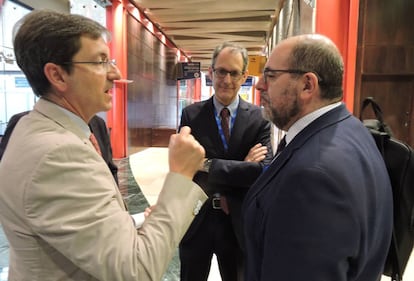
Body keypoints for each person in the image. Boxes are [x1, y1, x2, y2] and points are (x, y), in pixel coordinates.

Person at [0, 9, 207, 281]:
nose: (116, 72)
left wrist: (143, 221)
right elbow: (137, 270)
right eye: (100, 62)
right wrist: (180, 176)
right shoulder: (58, 155)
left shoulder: (44, 130)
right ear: (58, 76)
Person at [242, 34, 393, 281]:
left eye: (270, 76)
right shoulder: (352, 129)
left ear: (307, 86)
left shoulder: (312, 177)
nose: (259, 85)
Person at [179, 42, 273, 281]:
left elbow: (262, 171)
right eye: (221, 71)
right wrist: (243, 165)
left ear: (244, 76)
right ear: (211, 73)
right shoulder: (192, 114)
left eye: (234, 73)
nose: (226, 80)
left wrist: (207, 164)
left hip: (238, 222)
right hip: (197, 218)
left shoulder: (259, 119)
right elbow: (185, 166)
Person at [0, 112, 119, 183]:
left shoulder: (98, 123)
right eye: (99, 68)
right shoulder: (24, 123)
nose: (113, 75)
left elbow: (110, 170)